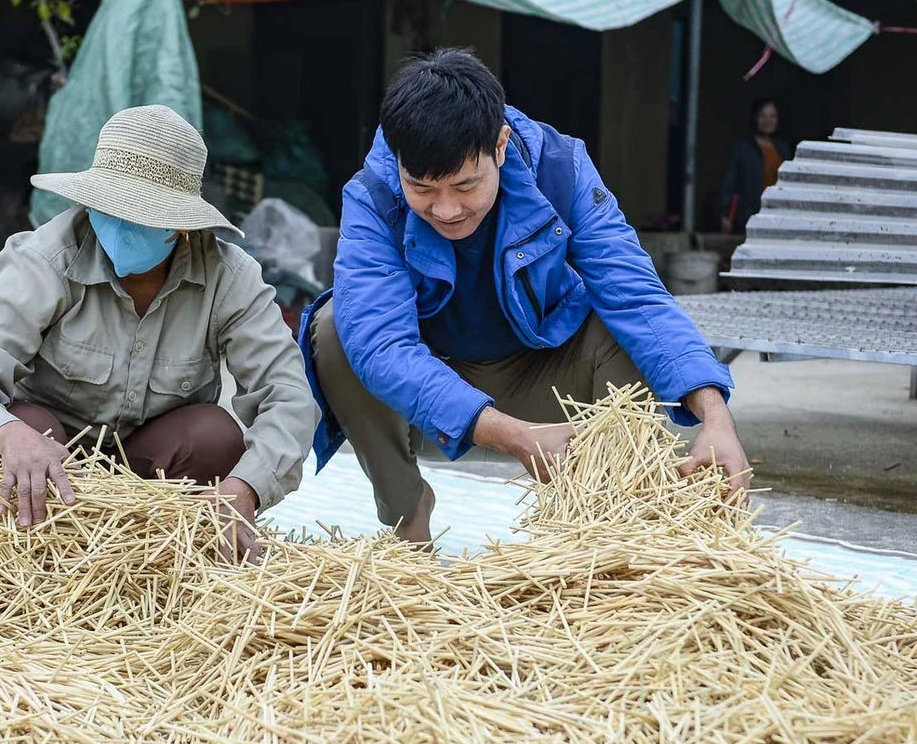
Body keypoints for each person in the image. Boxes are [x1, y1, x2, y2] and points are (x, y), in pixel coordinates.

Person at [299, 49, 748, 547]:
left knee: (624, 329)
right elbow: (381, 347)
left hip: (543, 370)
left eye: (466, 185)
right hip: (430, 380)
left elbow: (636, 295)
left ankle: (603, 518)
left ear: (501, 144)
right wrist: (513, 436)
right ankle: (408, 512)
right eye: (421, 188)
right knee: (338, 327)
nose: (446, 210)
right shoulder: (372, 194)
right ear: (399, 162)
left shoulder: (560, 168)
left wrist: (715, 415)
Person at [0, 105, 318, 563]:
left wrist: (245, 487)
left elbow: (288, 398)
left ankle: (162, 565)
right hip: (43, 464)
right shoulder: (45, 260)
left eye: (144, 216)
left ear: (184, 224)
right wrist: (8, 434)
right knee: (28, 429)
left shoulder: (230, 278)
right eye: (111, 210)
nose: (122, 225)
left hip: (149, 474)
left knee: (213, 436)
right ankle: (10, 563)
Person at [718, 99, 793, 234]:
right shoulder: (743, 149)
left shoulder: (783, 149)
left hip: (778, 216)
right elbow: (729, 183)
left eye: (772, 116)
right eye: (762, 116)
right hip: (751, 216)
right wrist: (725, 214)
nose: (767, 120)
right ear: (755, 118)